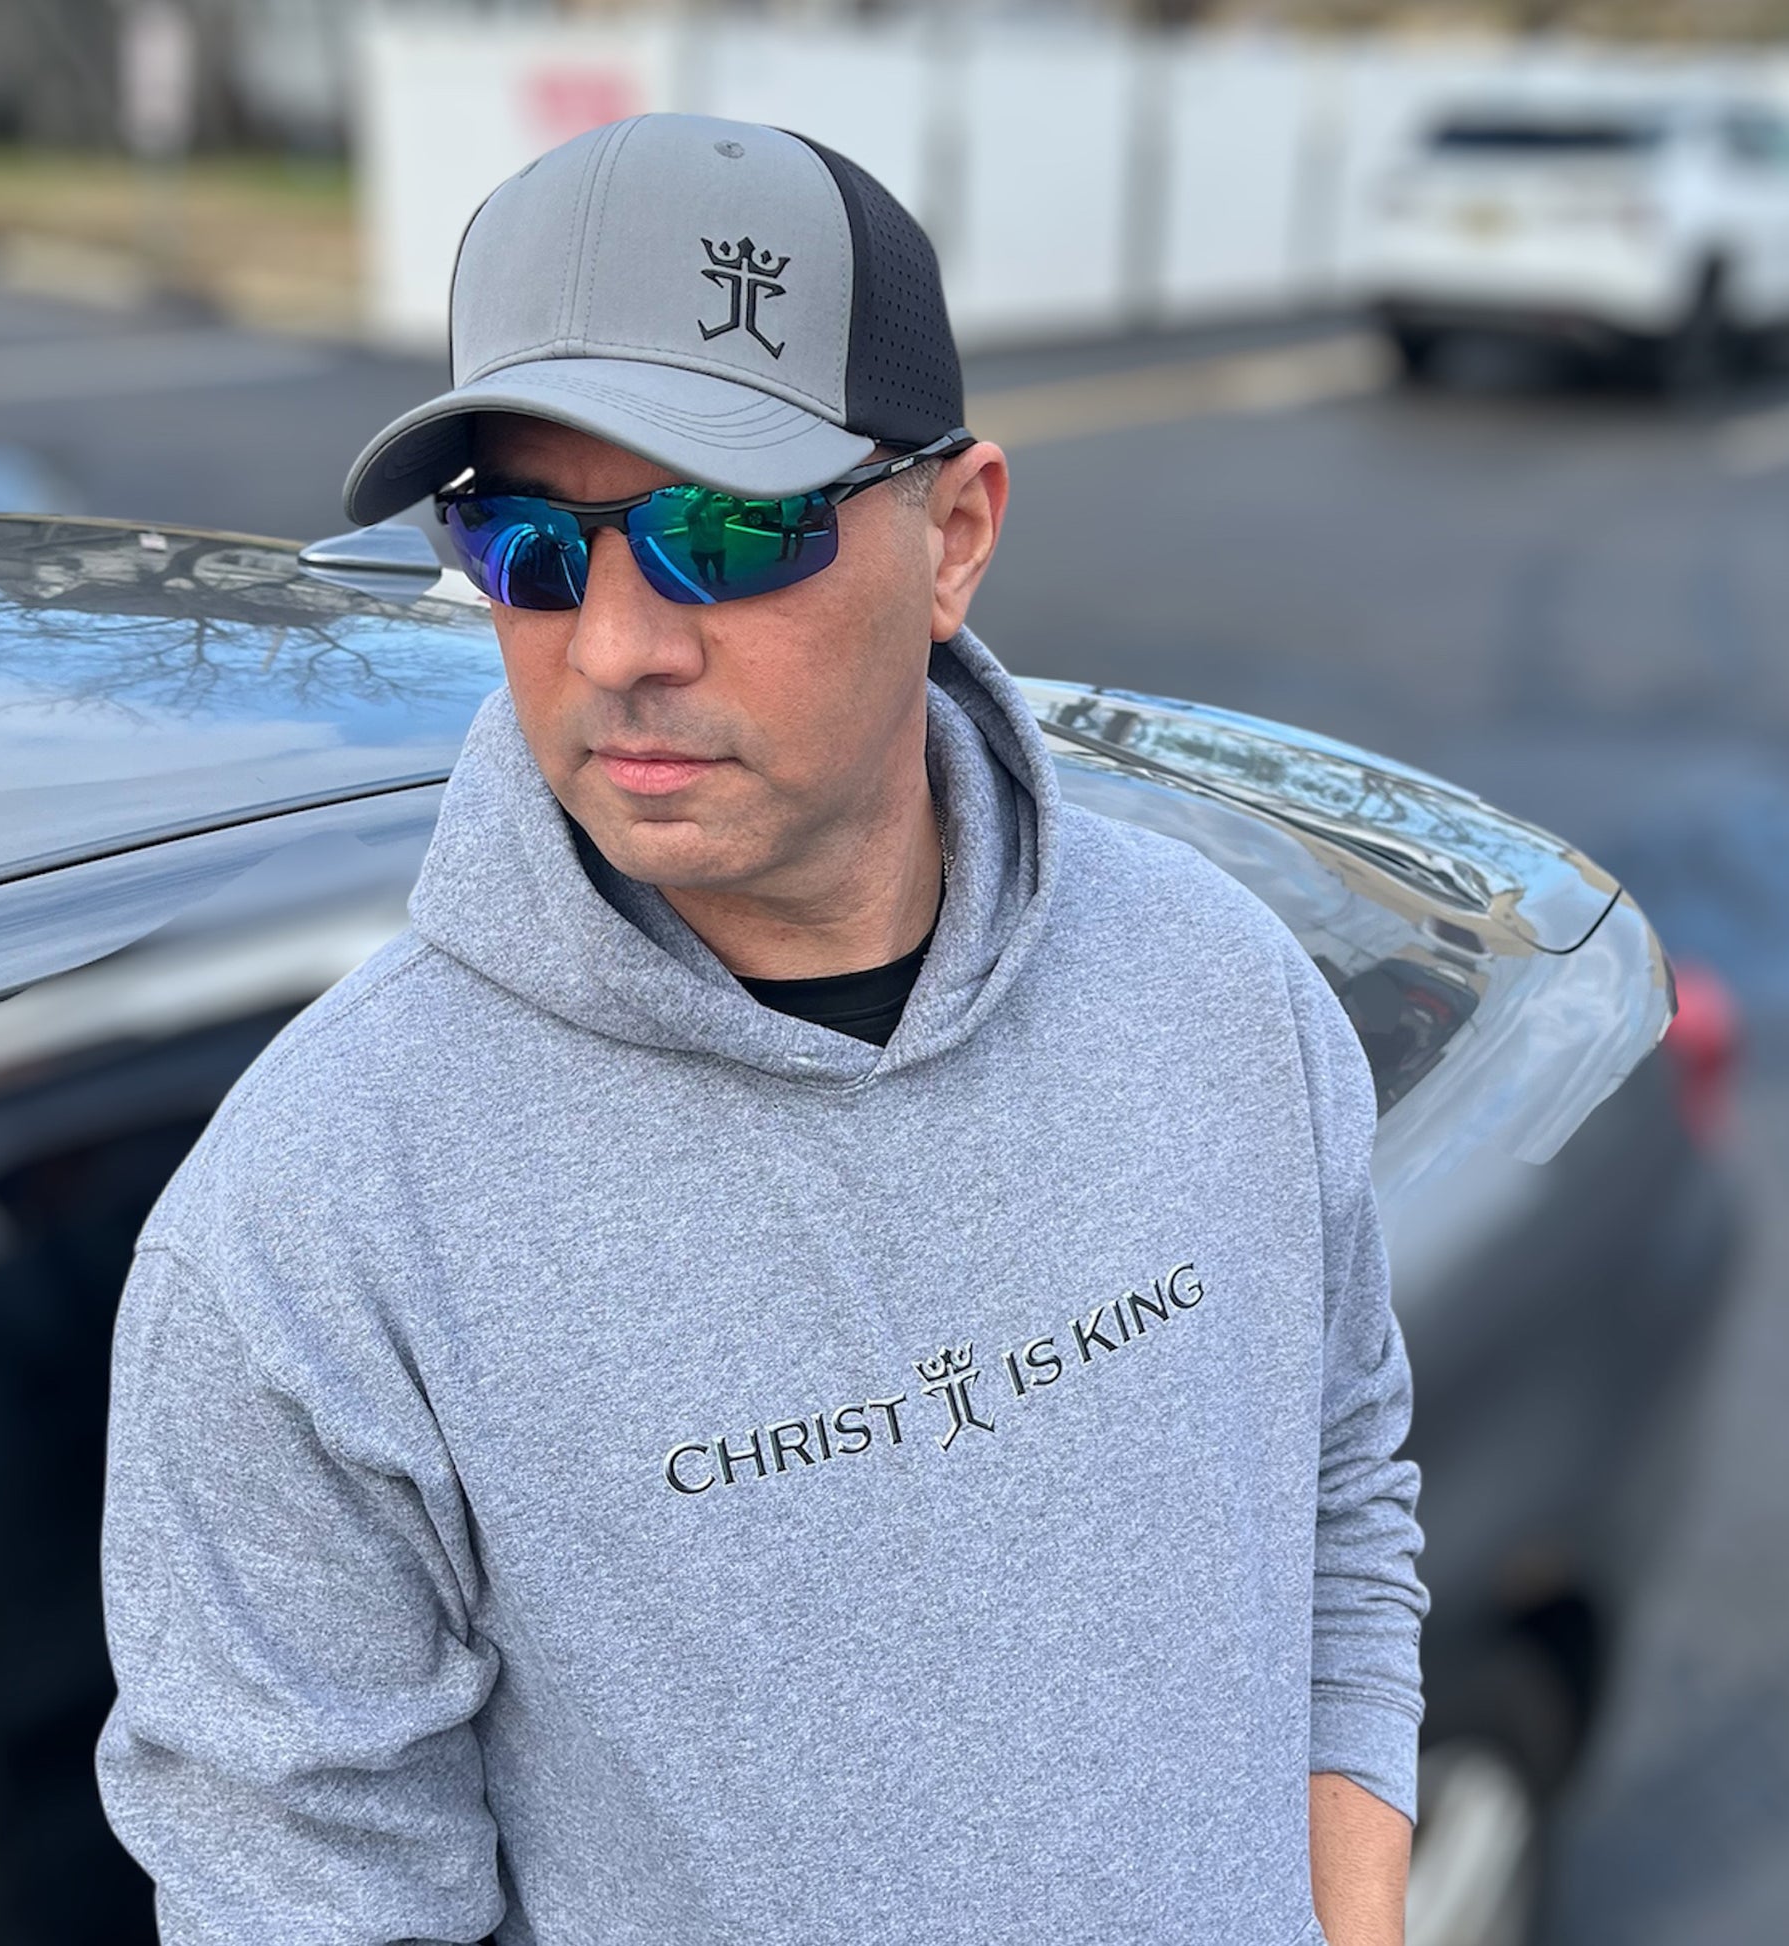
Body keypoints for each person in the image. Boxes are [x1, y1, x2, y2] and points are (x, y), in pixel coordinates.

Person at [96, 113, 1428, 1946]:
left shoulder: (1218, 988)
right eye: (524, 543)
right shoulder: (306, 1236)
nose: (615, 643)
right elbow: (307, 1897)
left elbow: (1340, 1496)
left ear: (954, 534)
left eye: (722, 530)